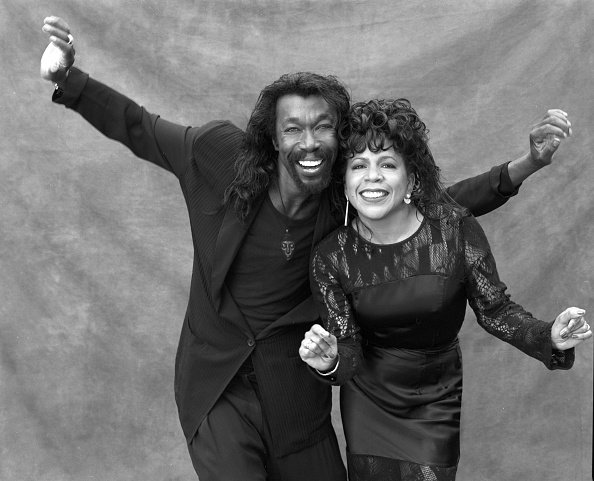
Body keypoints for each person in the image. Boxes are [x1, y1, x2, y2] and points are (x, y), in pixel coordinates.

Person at [40, 16, 574, 481]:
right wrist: (70, 80)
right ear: (272, 138)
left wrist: (520, 168)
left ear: (339, 138)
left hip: (299, 388)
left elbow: (435, 208)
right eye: (293, 129)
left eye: (323, 128)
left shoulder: (341, 205)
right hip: (217, 383)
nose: (309, 141)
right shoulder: (217, 156)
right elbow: (140, 127)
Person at [299, 98, 591, 481]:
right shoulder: (331, 256)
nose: (372, 177)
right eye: (358, 166)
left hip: (434, 397)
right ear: (345, 182)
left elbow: (496, 311)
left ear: (413, 180)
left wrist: (547, 334)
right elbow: (348, 347)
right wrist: (331, 361)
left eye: (387, 164)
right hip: (368, 402)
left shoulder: (452, 229)